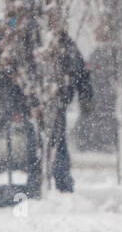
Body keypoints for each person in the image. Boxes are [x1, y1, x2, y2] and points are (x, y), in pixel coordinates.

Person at [25, 30, 92, 194]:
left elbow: (79, 70)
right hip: (45, 100)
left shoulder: (60, 42)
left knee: (47, 144)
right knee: (47, 144)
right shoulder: (33, 37)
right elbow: (80, 70)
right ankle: (48, 183)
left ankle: (45, 183)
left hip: (54, 101)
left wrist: (84, 95)